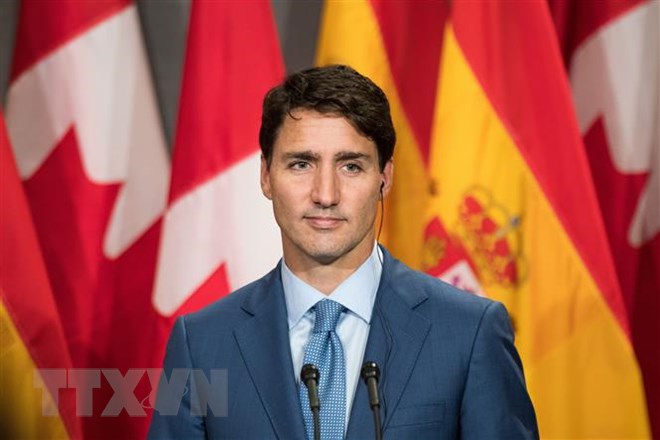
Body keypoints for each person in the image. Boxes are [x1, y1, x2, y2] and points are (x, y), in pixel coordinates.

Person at [148, 65, 538, 439]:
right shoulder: (198, 343)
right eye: (301, 164)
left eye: (351, 167)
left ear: (384, 178)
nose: (325, 195)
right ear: (266, 176)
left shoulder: (471, 332)